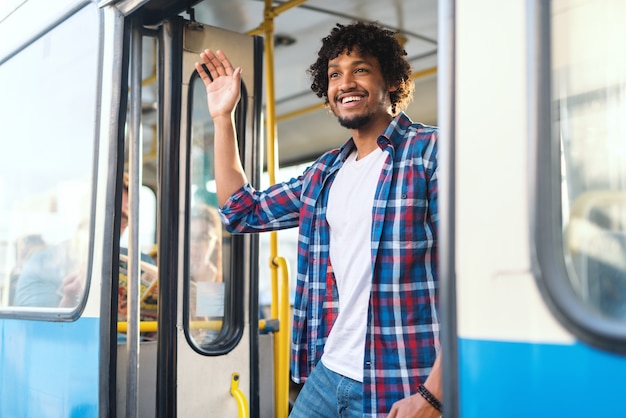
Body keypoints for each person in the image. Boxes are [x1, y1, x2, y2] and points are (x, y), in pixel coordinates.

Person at [195, 21, 441, 418]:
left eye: (360, 69)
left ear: (392, 81)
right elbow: (242, 210)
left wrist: (434, 395)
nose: (346, 82)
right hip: (327, 375)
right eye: (334, 74)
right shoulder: (325, 172)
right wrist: (223, 118)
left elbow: (469, 279)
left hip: (405, 379)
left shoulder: (430, 152)